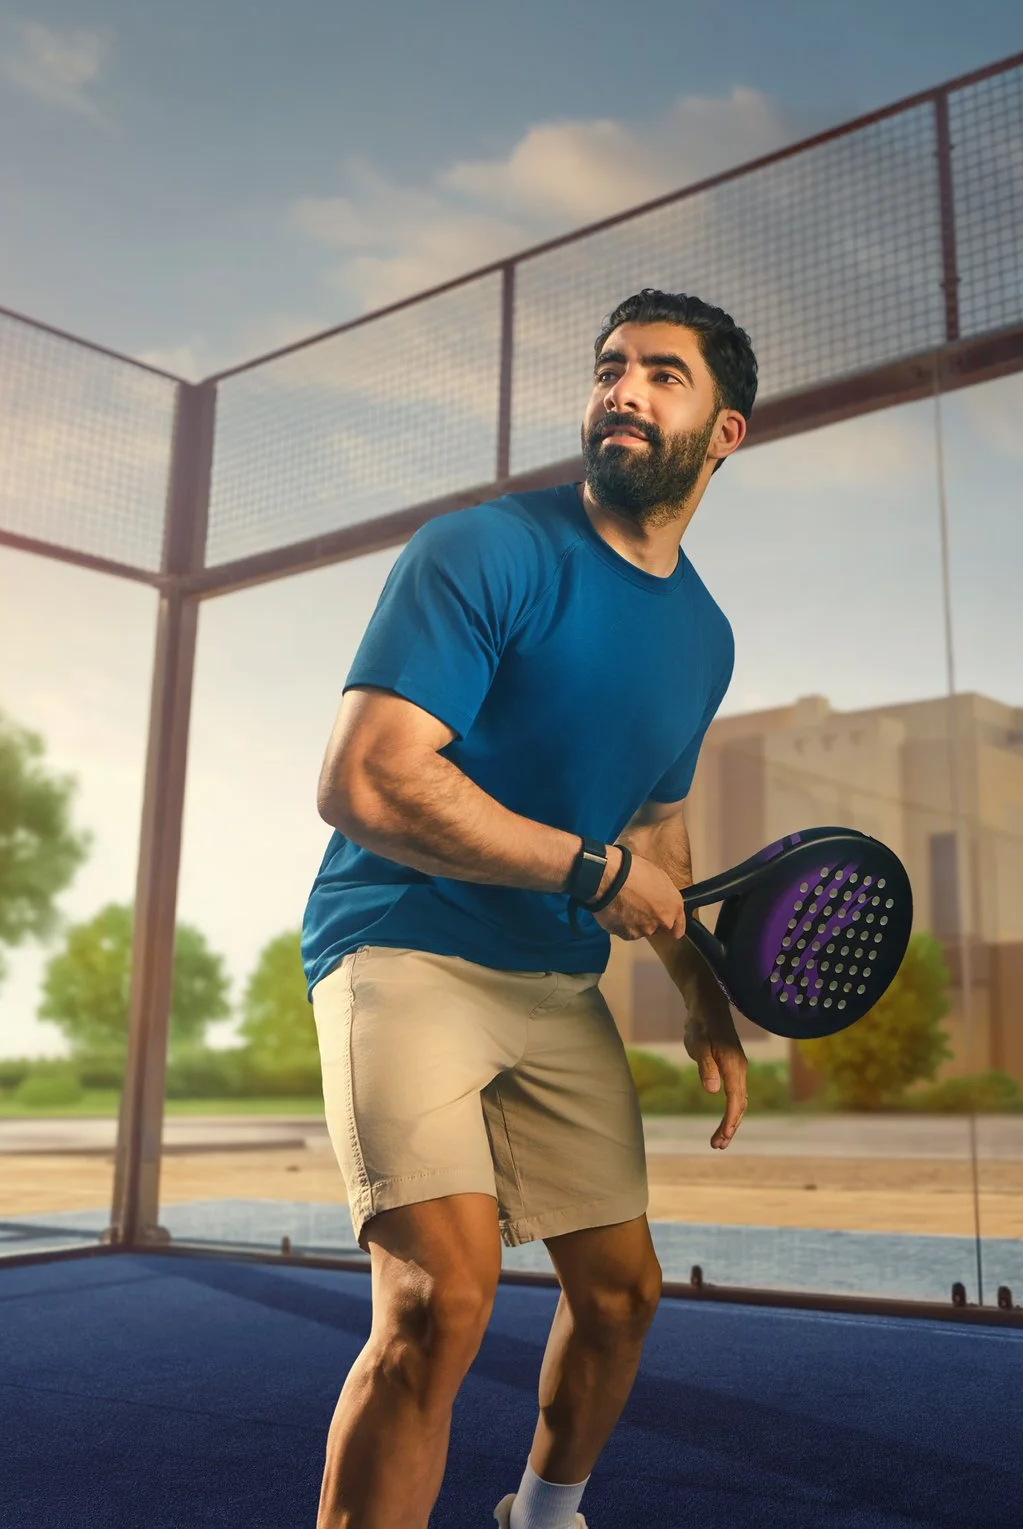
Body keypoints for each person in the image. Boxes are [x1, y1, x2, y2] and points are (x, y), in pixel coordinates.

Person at [301, 289, 755, 1529]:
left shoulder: (704, 638)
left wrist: (707, 996)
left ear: (725, 433)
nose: (625, 390)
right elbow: (366, 779)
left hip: (551, 979)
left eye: (665, 375)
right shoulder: (481, 549)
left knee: (622, 1297)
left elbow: (658, 831)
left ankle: (539, 1521)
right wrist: (592, 874)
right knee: (440, 1301)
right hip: (401, 942)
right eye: (611, 367)